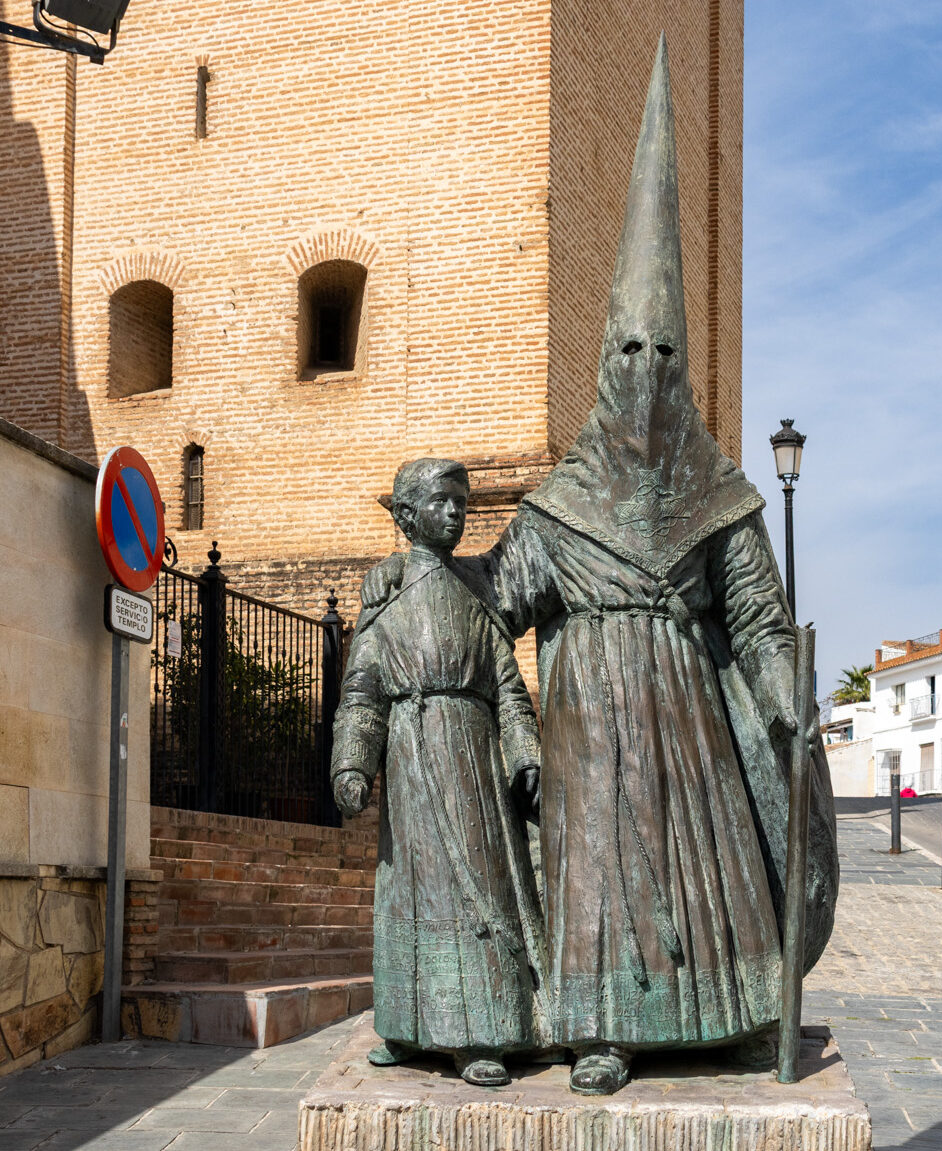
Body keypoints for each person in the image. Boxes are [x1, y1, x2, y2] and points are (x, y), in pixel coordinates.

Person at [363, 40, 836, 1096]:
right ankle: (599, 1028)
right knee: (599, 872)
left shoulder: (720, 496)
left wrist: (781, 692)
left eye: (663, 354)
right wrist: (417, 573)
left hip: (683, 714)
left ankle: (731, 1013)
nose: (647, 370)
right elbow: (501, 593)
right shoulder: (557, 501)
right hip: (583, 726)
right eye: (630, 351)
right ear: (603, 360)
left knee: (697, 870)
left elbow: (757, 619)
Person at [330, 458, 546, 1087]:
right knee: (409, 895)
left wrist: (524, 753)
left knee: (477, 890)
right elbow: (361, 695)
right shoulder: (385, 602)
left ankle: (480, 1033)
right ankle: (405, 1026)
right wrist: (352, 764)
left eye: (462, 502)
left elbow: (509, 689)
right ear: (406, 516)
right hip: (411, 760)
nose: (456, 513)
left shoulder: (478, 599)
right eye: (443, 501)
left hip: (474, 766)